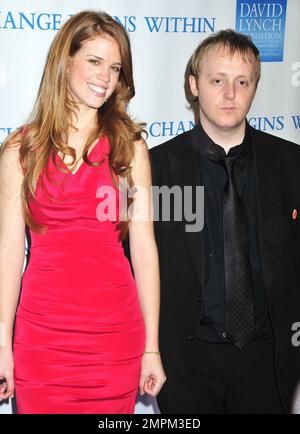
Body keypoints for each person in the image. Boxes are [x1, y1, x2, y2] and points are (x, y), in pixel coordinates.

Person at [0, 10, 165, 414]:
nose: (105, 78)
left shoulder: (130, 147)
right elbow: (6, 252)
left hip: (114, 337)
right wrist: (2, 342)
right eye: (94, 62)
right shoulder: (19, 150)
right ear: (66, 61)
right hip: (41, 338)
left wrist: (152, 347)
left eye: (115, 68)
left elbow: (144, 249)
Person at [150, 29, 300, 414]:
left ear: (255, 88)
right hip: (185, 363)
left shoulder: (291, 164)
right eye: (217, 80)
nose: (230, 93)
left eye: (242, 81)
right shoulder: (154, 168)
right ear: (194, 85)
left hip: (268, 362)